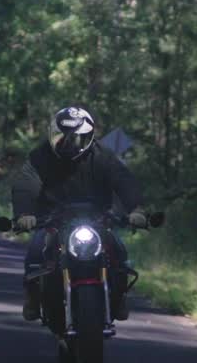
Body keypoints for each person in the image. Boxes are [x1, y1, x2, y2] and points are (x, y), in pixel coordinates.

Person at [11, 106, 146, 322]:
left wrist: (136, 209)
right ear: (52, 133)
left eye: (74, 138)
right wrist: (24, 214)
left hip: (97, 218)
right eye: (61, 136)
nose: (67, 143)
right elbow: (26, 184)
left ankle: (119, 297)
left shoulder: (103, 156)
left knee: (119, 252)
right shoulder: (40, 156)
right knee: (36, 253)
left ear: (88, 137)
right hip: (53, 219)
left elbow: (124, 180)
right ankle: (33, 298)